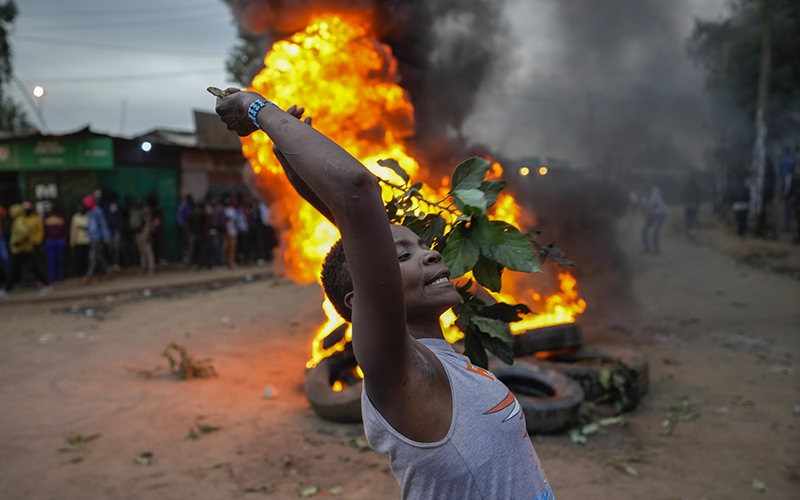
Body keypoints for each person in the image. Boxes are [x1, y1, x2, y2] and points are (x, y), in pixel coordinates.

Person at [216, 89, 554, 499]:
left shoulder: (442, 359)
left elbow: (359, 224)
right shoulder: (400, 368)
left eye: (422, 246)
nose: (431, 253)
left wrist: (294, 166)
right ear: (361, 305)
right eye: (402, 255)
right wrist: (258, 108)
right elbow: (357, 190)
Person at [2, 204, 52, 297]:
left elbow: (24, 232)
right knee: (17, 269)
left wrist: (17, 242)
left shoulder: (19, 220)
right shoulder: (21, 219)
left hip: (22, 249)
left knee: (28, 267)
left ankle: (46, 284)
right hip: (22, 249)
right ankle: (7, 289)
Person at [82, 195, 112, 284]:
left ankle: (89, 275)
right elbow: (91, 226)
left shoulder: (98, 212)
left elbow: (103, 225)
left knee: (92, 257)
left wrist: (107, 238)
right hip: (92, 238)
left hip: (97, 238)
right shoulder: (90, 212)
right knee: (98, 256)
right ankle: (109, 271)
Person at [130, 198, 155, 275]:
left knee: (146, 252)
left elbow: (148, 223)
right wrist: (147, 233)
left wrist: (147, 234)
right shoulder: (144, 210)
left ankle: (148, 269)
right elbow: (148, 223)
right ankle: (146, 268)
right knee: (145, 252)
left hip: (140, 233)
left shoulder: (137, 211)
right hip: (142, 233)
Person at [101, 190, 124, 271]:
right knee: (109, 247)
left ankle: (116, 264)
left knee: (116, 246)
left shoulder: (116, 204)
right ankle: (110, 264)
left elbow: (120, 216)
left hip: (116, 229)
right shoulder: (103, 204)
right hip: (107, 229)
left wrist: (120, 225)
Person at [43, 207, 67, 282]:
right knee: (51, 260)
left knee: (59, 260)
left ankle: (59, 276)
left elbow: (64, 229)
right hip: (50, 241)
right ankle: (51, 277)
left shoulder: (61, 217)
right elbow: (44, 231)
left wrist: (63, 239)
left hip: (59, 241)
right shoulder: (46, 218)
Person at [641, 186, 666, 254]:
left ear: (648, 191)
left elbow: (662, 208)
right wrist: (647, 215)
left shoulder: (655, 197)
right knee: (643, 229)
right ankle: (646, 248)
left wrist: (654, 212)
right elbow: (645, 210)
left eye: (644, 191)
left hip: (659, 215)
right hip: (651, 217)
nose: (643, 193)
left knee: (654, 230)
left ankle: (656, 250)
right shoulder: (644, 199)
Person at [778, 146, 796, 233]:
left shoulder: (783, 161)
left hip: (789, 189)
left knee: (788, 209)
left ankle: (787, 227)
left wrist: (785, 192)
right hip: (794, 189)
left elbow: (786, 179)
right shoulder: (793, 159)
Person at [70, 203, 90, 276]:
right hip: (79, 241)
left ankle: (87, 273)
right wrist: (72, 242)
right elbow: (73, 230)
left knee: (88, 258)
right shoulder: (75, 217)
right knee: (79, 258)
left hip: (88, 241)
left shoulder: (89, 215)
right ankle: (80, 273)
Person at [223, 196, 239, 268]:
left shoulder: (231, 210)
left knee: (230, 249)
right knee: (228, 249)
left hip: (231, 232)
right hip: (228, 232)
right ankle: (227, 262)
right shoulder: (226, 211)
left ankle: (230, 262)